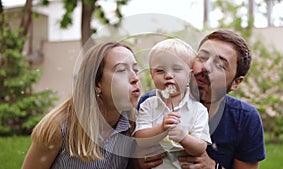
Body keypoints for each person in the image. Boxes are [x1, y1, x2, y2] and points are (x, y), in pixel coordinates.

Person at [136, 30, 266, 169]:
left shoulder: (245, 118)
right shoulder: (151, 102)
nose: (205, 67)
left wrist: (213, 167)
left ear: (236, 82)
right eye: (202, 57)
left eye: (220, 65)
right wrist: (138, 162)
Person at [22, 41, 142, 169]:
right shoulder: (59, 128)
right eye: (121, 70)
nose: (135, 77)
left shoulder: (135, 125)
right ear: (97, 84)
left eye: (135, 70)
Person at [134, 38, 211, 169]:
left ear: (189, 75)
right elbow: (140, 139)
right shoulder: (148, 105)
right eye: (160, 70)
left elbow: (200, 147)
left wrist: (184, 137)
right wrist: (161, 129)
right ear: (152, 74)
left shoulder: (198, 110)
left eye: (176, 69)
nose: (168, 75)